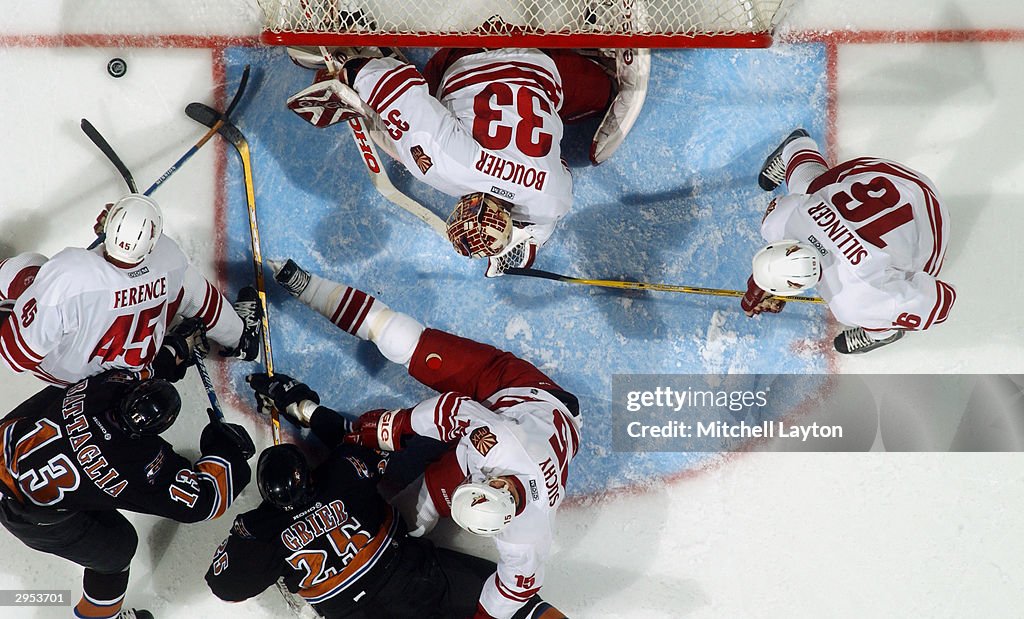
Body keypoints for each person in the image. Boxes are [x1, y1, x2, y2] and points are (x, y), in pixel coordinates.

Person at [246, 257, 581, 619]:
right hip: (518, 390)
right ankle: (310, 288)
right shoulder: (502, 455)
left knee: (401, 516)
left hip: (509, 434)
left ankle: (313, 414)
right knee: (401, 338)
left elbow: (512, 592)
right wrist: (394, 426)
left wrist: (390, 431)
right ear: (495, 482)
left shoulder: (524, 534)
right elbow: (451, 410)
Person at [283, 40, 648, 277]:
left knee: (600, 93)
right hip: (466, 50)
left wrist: (522, 240)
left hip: (545, 63)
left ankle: (602, 63)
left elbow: (559, 169)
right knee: (405, 134)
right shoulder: (443, 169)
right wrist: (352, 73)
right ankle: (349, 52)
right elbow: (400, 85)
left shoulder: (552, 200)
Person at [205, 436, 569, 618]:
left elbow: (225, 585)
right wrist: (306, 408)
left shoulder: (259, 528)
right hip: (413, 574)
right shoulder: (340, 473)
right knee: (520, 609)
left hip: (355, 614)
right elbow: (378, 440)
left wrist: (245, 537)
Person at [0, 370, 255, 619]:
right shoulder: (134, 463)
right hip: (23, 508)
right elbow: (201, 503)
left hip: (8, 450)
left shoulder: (100, 385)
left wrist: (166, 357)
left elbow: (124, 365)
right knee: (118, 549)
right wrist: (226, 453)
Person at [0, 194, 263, 386]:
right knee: (189, 284)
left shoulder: (70, 273)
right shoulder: (167, 254)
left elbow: (16, 359)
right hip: (134, 371)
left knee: (30, 266)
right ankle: (241, 338)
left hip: (72, 378)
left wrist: (15, 310)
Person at [741, 129, 957, 354]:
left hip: (931, 225)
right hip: (892, 178)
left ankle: (882, 332)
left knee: (879, 312)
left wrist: (887, 310)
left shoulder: (853, 304)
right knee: (810, 190)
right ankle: (796, 147)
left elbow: (942, 302)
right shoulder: (779, 221)